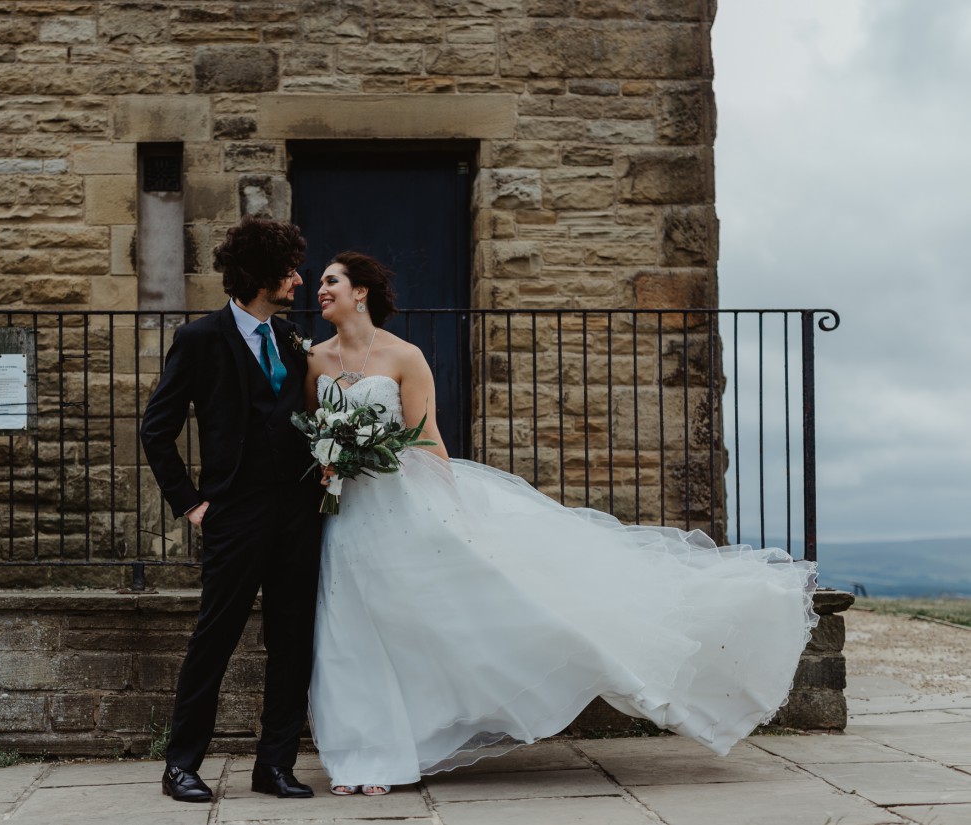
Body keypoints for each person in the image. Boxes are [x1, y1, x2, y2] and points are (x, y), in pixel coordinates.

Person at [304, 251, 819, 797]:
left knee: (429, 619)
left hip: (400, 505)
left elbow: (428, 439)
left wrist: (452, 509)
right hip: (348, 512)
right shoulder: (313, 361)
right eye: (318, 282)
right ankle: (361, 756)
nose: (320, 289)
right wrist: (327, 461)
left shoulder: (404, 356)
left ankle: (398, 749)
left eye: (330, 280)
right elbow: (312, 435)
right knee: (349, 628)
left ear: (361, 292)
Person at [140, 216, 323, 803]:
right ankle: (182, 765)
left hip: (298, 513)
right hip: (234, 514)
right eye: (288, 270)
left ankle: (274, 765)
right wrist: (190, 503)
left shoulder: (293, 340)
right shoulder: (200, 339)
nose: (298, 279)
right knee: (214, 638)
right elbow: (156, 430)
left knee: (292, 641)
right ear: (259, 276)